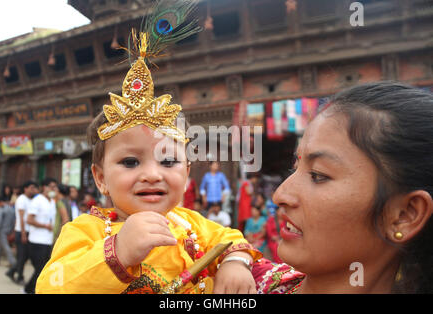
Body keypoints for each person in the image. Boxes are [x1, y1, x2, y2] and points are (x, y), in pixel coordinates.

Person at [35, 24, 262, 294]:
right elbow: (51, 286)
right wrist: (118, 252)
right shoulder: (86, 231)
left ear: (187, 173)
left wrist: (234, 263)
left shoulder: (191, 225)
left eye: (168, 162)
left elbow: (231, 239)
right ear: (100, 178)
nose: (152, 174)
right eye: (130, 162)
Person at [253, 82, 433, 294]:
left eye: (318, 175)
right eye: (295, 167)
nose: (280, 195)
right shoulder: (237, 282)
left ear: (404, 215)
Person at [24, 178, 58, 294]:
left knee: (44, 269)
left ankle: (30, 289)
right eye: (51, 187)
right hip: (36, 241)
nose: (53, 189)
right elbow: (29, 220)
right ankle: (29, 290)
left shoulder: (52, 201)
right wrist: (44, 226)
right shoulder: (37, 200)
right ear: (44, 187)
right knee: (40, 269)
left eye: (55, 187)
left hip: (47, 241)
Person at [10, 180, 38, 285]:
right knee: (22, 256)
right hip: (22, 231)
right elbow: (21, 218)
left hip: (27, 231)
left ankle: (11, 271)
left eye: (34, 188)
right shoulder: (21, 199)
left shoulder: (31, 200)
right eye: (31, 187)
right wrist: (22, 234)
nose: (33, 190)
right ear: (25, 189)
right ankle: (19, 277)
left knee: (25, 256)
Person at [0, 198, 16, 273]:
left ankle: (13, 262)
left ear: (0, 203)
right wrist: (12, 231)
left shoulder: (2, 210)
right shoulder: (12, 210)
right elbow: (13, 221)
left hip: (2, 230)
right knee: (1, 245)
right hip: (9, 230)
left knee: (5, 246)